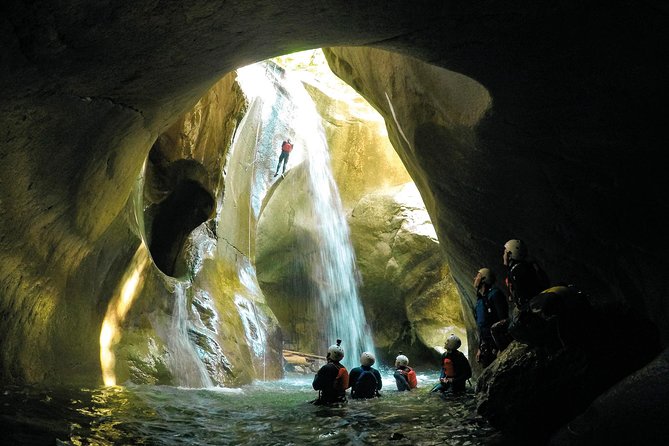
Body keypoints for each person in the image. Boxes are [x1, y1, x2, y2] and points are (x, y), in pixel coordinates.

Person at [496, 239, 551, 347]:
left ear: (510, 254)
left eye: (505, 252)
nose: (503, 255)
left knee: (514, 328)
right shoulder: (523, 266)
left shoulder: (517, 270)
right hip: (537, 302)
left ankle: (539, 345)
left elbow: (525, 297)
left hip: (533, 306)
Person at [473, 268, 509, 367]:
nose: (475, 278)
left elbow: (503, 320)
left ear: (484, 279)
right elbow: (481, 327)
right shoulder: (479, 301)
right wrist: (480, 348)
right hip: (487, 345)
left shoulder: (495, 294)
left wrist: (501, 348)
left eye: (478, 276)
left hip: (497, 343)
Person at [311, 339, 349, 405]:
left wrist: (317, 375)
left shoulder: (327, 368)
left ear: (329, 355)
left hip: (328, 401)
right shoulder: (343, 368)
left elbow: (315, 386)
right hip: (341, 400)